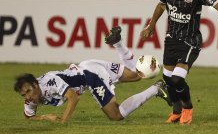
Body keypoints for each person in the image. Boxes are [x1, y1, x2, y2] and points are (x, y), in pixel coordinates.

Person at [14, 26, 171, 123]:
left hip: (91, 76)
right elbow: (28, 117)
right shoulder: (31, 97)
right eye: (24, 95)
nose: (27, 97)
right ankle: (117, 43)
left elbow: (73, 97)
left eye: (28, 91)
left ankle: (157, 89)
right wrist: (44, 117)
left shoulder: (50, 82)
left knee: (116, 115)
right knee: (137, 75)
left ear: (35, 84)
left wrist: (63, 121)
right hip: (89, 65)